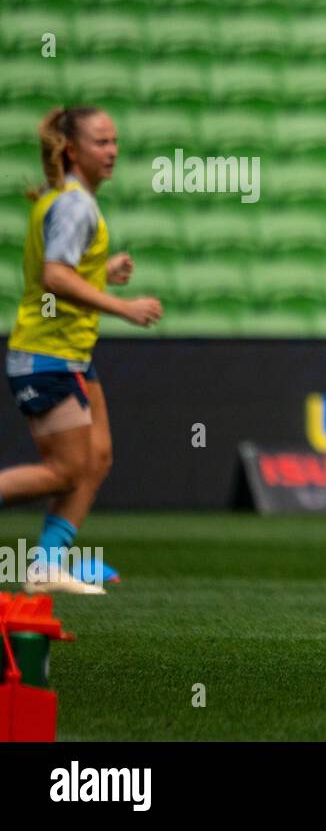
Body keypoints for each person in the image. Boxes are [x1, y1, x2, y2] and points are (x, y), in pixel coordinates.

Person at [0, 107, 163, 593]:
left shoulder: (70, 200)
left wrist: (101, 270)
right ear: (72, 149)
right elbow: (53, 277)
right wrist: (121, 305)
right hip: (46, 354)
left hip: (70, 353)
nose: (112, 151)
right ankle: (44, 567)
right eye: (100, 142)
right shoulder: (75, 204)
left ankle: (46, 567)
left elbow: (63, 270)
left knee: (97, 460)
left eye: (114, 141)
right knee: (67, 470)